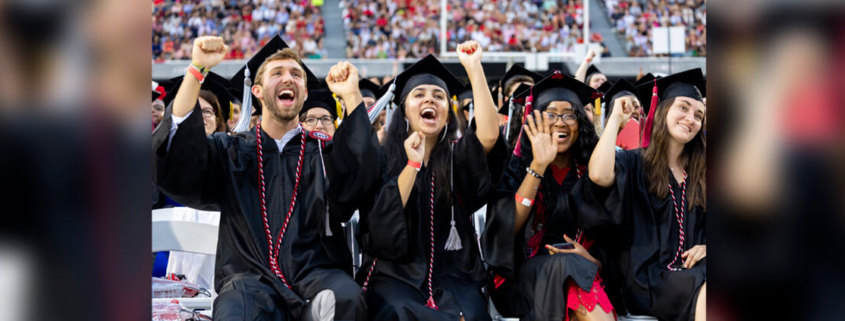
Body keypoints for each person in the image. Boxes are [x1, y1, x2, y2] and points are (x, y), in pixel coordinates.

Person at [153, 35, 379, 320]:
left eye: (296, 74)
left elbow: (365, 173)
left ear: (305, 93)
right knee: (238, 311)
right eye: (277, 73)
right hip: (249, 279)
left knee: (346, 298)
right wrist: (196, 69)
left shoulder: (325, 152)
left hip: (317, 275)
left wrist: (351, 95)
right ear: (257, 91)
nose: (288, 78)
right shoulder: (231, 150)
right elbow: (177, 157)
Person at [354, 42, 507, 320]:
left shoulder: (455, 157)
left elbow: (487, 135)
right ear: (403, 111)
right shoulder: (384, 157)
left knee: (468, 315)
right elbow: (382, 221)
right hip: (395, 277)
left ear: (447, 112)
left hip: (454, 275)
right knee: (400, 312)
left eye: (439, 96)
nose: (430, 100)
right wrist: (412, 163)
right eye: (419, 94)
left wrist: (474, 69)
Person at [575, 68, 706, 321]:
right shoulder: (634, 163)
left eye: (699, 114)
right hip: (648, 280)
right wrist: (614, 119)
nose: (691, 118)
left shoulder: (701, 172)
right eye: (683, 108)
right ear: (662, 108)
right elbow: (599, 176)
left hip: (694, 271)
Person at [484, 71, 615, 321]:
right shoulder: (515, 167)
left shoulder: (594, 172)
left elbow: (614, 237)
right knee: (572, 271)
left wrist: (592, 259)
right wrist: (539, 165)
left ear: (581, 123)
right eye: (550, 114)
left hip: (586, 272)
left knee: (576, 272)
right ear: (534, 121)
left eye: (569, 115)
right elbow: (506, 228)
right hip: (522, 278)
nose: (560, 122)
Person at [601, 79, 643, 151]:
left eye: (636, 106)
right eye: (624, 106)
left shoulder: (649, 140)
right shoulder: (602, 142)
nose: (632, 110)